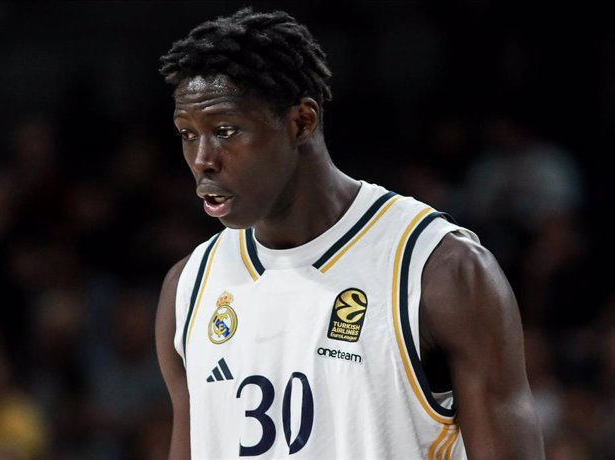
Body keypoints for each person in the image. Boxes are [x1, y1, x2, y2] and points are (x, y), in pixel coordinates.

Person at [155, 7, 544, 459]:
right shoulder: (188, 288)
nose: (203, 158)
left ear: (301, 122)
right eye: (187, 134)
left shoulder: (438, 269)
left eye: (225, 131)